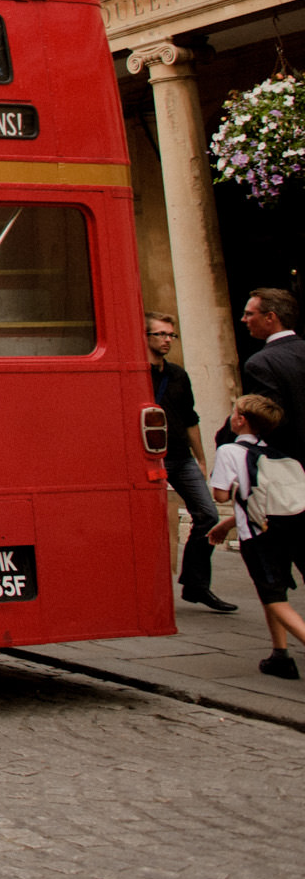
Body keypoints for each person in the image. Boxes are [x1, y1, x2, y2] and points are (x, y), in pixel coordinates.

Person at [208, 394, 305, 680]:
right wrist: (227, 525)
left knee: (273, 597)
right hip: (289, 527)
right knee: (273, 592)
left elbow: (221, 494)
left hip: (259, 536)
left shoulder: (229, 451)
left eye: (234, 412)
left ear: (240, 420)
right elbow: (264, 499)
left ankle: (285, 652)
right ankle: (279, 654)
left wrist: (232, 500)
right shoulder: (275, 452)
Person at [150, 312, 237, 614]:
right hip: (151, 458)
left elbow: (190, 420)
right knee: (150, 525)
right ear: (145, 337)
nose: (167, 340)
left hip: (181, 457)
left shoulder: (178, 375)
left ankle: (196, 584)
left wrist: (200, 459)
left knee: (208, 515)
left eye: (171, 335)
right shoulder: (137, 374)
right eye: (160, 334)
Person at [241, 290, 305, 460]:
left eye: (249, 314)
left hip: (293, 463)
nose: (244, 319)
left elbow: (270, 421)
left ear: (270, 317)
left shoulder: (260, 363)